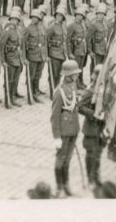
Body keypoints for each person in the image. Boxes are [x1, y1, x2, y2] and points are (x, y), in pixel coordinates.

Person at [50, 59, 81, 197]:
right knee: (60, 158)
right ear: (68, 75)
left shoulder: (73, 85)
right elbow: (54, 116)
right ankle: (59, 187)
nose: (77, 75)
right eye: (74, 73)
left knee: (68, 158)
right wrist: (56, 137)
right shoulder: (59, 91)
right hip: (63, 128)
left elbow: (75, 106)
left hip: (73, 126)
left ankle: (66, 183)